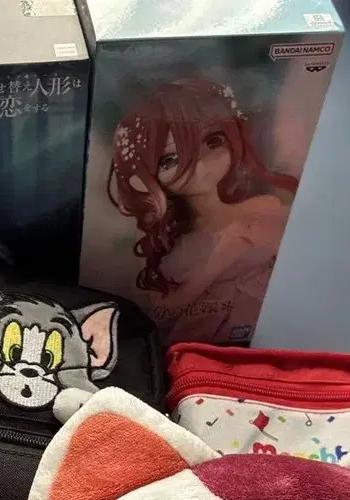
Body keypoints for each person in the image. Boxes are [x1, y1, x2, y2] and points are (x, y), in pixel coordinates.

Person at [108, 78, 299, 344]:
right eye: (169, 160)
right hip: (198, 346)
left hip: (269, 339)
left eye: (213, 141)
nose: (198, 164)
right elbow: (162, 314)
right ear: (144, 176)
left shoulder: (265, 209)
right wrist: (219, 260)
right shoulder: (172, 244)